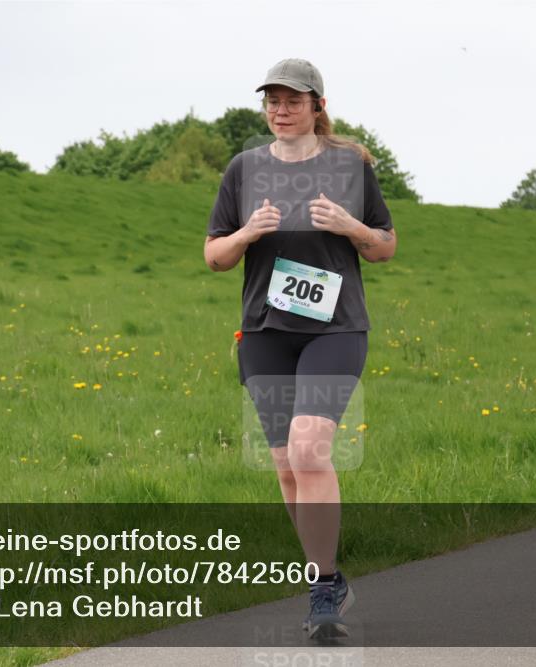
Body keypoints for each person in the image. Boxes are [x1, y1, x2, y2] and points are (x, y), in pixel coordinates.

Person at [204, 58, 397, 639]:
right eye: (273, 101)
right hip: (265, 333)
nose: (281, 111)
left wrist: (350, 226)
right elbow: (214, 255)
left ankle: (320, 592)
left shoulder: (350, 166)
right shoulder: (244, 169)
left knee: (310, 452)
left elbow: (385, 246)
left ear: (317, 106)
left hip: (334, 329)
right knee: (287, 465)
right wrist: (245, 234)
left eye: (293, 101)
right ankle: (329, 576)